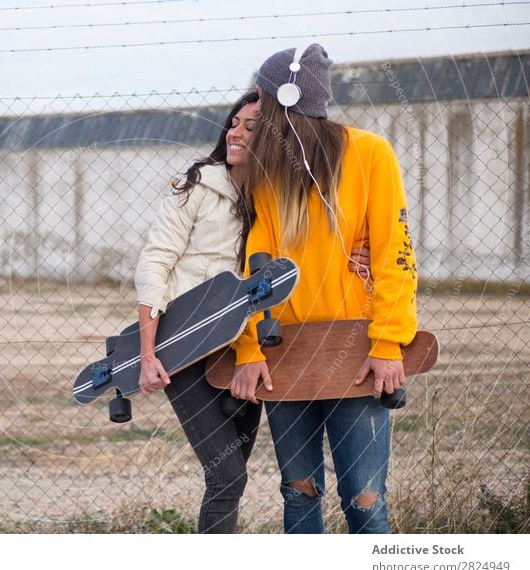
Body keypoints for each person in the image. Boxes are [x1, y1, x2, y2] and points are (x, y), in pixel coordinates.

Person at [134, 90, 371, 533]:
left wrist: (362, 253)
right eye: (234, 122)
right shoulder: (198, 187)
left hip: (243, 351)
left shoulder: (276, 195)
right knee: (228, 475)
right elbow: (155, 264)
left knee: (230, 477)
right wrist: (148, 354)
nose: (236, 132)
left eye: (251, 126)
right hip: (183, 347)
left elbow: (311, 246)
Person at [230, 43, 419, 534]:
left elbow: (396, 255)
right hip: (285, 356)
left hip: (356, 352)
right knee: (299, 497)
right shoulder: (269, 172)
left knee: (364, 501)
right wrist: (250, 348)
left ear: (285, 102)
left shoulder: (370, 153)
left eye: (264, 100)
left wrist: (387, 342)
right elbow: (258, 269)